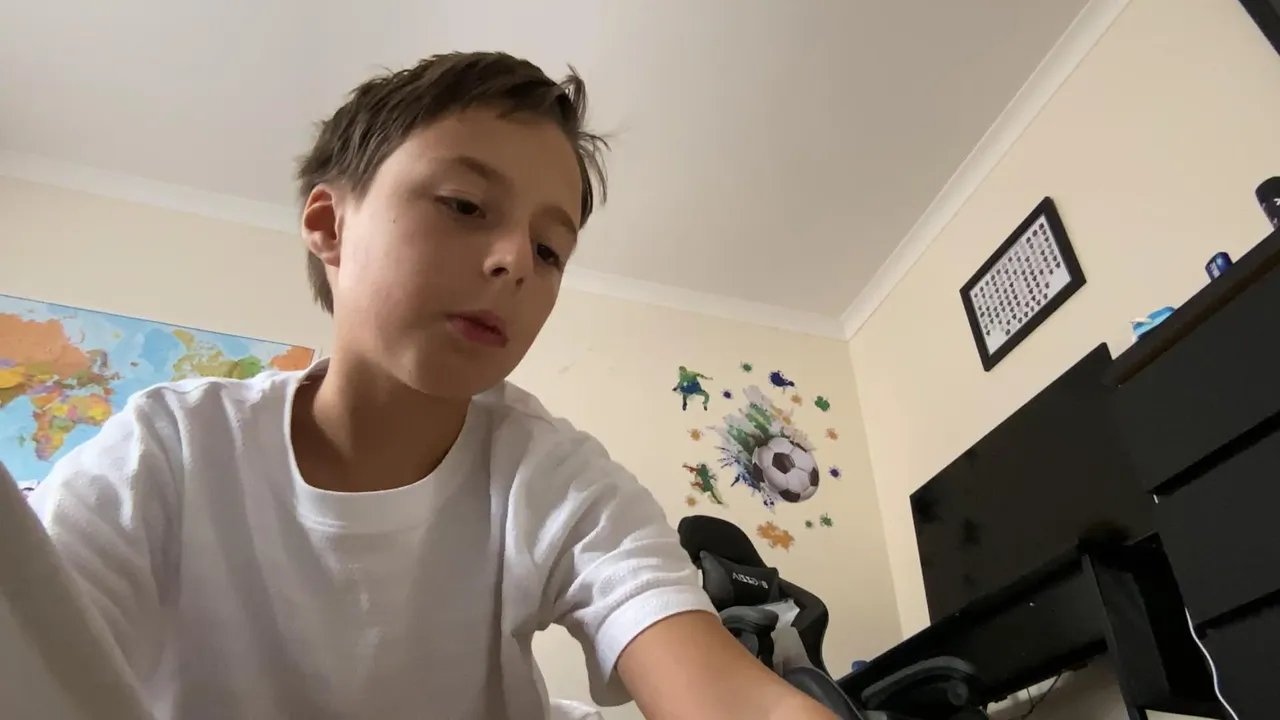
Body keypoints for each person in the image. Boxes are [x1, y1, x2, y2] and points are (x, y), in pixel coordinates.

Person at [29, 52, 836, 719]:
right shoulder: (170, 448)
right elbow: (28, 650)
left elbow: (732, 698)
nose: (514, 261)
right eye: (464, 205)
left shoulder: (558, 479)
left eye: (550, 251)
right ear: (329, 225)